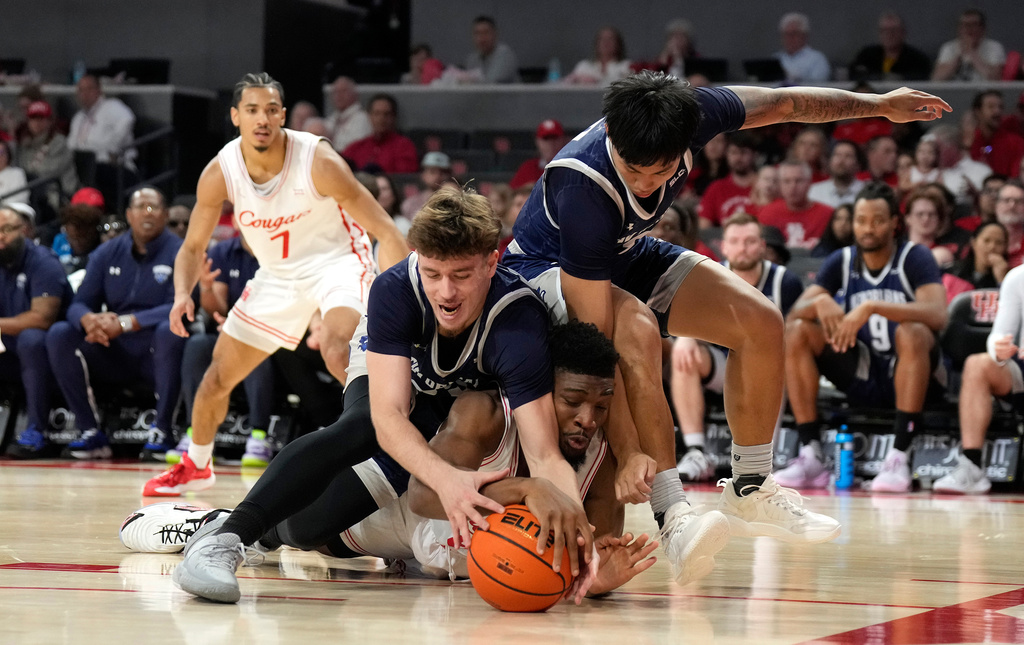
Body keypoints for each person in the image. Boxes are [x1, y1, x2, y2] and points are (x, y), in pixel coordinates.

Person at [503, 72, 948, 576]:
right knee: (637, 331)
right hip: (540, 272)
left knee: (759, 320)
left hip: (622, 251)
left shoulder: (695, 111)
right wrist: (629, 453)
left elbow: (789, 102)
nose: (648, 183)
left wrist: (880, 104)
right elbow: (600, 347)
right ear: (612, 140)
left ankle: (751, 486)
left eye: (662, 171)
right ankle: (672, 513)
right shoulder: (583, 187)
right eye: (635, 171)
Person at [172, 186, 596, 603]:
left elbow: (545, 455)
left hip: (446, 401)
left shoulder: (519, 322)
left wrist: (580, 538)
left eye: (462, 276)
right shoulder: (395, 289)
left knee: (307, 528)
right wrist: (446, 479)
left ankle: (249, 527)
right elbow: (389, 416)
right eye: (433, 273)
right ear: (417, 260)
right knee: (361, 426)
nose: (446, 292)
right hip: (400, 384)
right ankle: (225, 538)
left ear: (491, 263)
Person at [129, 322, 657, 596]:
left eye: (601, 405)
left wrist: (592, 581)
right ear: (541, 391)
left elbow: (588, 549)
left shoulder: (603, 453)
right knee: (306, 531)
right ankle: (217, 525)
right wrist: (527, 489)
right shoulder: (486, 413)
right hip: (408, 516)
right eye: (573, 402)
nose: (589, 417)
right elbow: (427, 497)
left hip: (447, 560)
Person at [142, 73, 408, 496]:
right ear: (235, 117)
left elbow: (386, 231)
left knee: (339, 349)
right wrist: (179, 295)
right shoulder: (220, 172)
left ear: (283, 115)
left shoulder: (317, 161)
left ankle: (395, 447)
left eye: (270, 110)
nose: (261, 119)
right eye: (251, 110)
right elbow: (192, 247)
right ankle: (197, 462)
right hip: (278, 276)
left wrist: (400, 302)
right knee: (215, 378)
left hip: (338, 263)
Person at [778, 182, 947, 492]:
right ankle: (810, 453)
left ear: (895, 223)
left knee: (913, 331)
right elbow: (793, 315)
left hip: (915, 374)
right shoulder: (841, 261)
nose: (867, 228)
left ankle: (899, 456)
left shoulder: (914, 257)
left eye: (877, 220)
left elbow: (938, 314)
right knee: (797, 330)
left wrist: (872, 306)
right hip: (863, 371)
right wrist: (818, 302)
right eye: (860, 220)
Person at [45, 187, 186, 460]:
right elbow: (79, 303)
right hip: (113, 347)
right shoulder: (107, 252)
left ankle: (164, 430)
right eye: (140, 207)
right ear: (129, 215)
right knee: (60, 333)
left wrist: (126, 322)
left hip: (155, 348)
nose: (146, 212)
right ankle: (90, 432)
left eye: (153, 207)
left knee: (169, 332)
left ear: (165, 215)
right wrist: (89, 320)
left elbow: (183, 306)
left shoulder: (181, 252)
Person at [671, 213, 803, 482]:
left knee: (783, 360)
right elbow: (689, 316)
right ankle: (696, 452)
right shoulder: (709, 276)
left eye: (750, 241)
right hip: (721, 366)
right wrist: (685, 338)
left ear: (762, 246)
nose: (743, 248)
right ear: (724, 246)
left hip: (766, 371)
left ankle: (764, 460)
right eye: (736, 241)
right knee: (683, 352)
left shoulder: (784, 282)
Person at [171, 234, 275, 467]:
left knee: (253, 347)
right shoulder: (222, 252)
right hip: (228, 329)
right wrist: (206, 288)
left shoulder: (279, 249)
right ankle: (195, 431)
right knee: (197, 345)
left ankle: (259, 435)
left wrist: (243, 324)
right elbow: (217, 307)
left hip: (268, 332)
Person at [935, 257, 1024, 494]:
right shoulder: (1017, 278)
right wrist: (999, 349)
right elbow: (997, 336)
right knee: (977, 364)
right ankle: (971, 467)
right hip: (1022, 373)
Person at [0, 204, 72, 458]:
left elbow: (42, 319)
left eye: (6, 229)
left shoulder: (43, 262)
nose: (1, 237)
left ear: (25, 230)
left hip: (51, 353)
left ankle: (36, 430)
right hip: (9, 349)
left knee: (31, 339)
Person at [66, 75, 137, 207]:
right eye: (80, 90)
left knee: (96, 171)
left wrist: (112, 148)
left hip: (114, 167)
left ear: (99, 90)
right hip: (84, 167)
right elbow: (71, 145)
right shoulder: (78, 117)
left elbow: (128, 120)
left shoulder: (112, 106)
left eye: (89, 89)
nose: (84, 94)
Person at [14, 100, 78, 214]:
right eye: (33, 118)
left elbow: (49, 171)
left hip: (58, 194)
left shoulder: (59, 142)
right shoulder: (26, 143)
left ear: (50, 121)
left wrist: (26, 175)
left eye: (41, 118)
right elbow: (19, 168)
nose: (37, 123)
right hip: (34, 192)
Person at [758, 160, 834, 249]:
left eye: (798, 181)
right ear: (780, 184)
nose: (793, 187)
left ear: (809, 183)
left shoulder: (828, 215)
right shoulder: (767, 214)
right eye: (787, 181)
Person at [341, 94, 418, 174]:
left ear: (393, 117)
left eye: (386, 114)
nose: (381, 119)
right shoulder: (355, 148)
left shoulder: (404, 147)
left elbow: (404, 178)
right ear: (369, 116)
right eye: (377, 114)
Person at [849, 11, 933, 82]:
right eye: (884, 31)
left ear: (903, 32)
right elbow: (853, 75)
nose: (889, 35)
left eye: (893, 30)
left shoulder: (917, 59)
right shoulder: (866, 56)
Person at [697, 131, 758, 229]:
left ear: (754, 155)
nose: (738, 158)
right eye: (734, 152)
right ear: (727, 155)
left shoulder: (765, 185)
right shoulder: (716, 188)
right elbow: (704, 227)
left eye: (743, 152)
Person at [932, 9, 1006, 82]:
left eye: (974, 24)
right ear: (959, 29)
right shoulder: (948, 47)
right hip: (954, 91)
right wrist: (958, 57)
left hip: (985, 91)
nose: (969, 29)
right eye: (965, 25)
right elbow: (937, 79)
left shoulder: (994, 47)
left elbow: (994, 79)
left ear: (982, 28)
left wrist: (972, 53)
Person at [969, 90, 1024, 179]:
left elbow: (1017, 178)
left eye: (1000, 107)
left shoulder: (1016, 143)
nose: (997, 111)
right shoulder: (970, 140)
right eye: (991, 107)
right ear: (978, 111)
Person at [509, 119, 569, 190]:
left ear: (564, 140)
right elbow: (512, 194)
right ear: (537, 142)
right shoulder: (528, 168)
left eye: (554, 138)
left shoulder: (574, 167)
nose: (550, 144)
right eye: (546, 139)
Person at [948, 221, 1009, 289]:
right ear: (973, 243)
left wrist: (1001, 278)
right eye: (986, 240)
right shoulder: (954, 272)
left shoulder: (1011, 276)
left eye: (999, 243)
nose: (992, 247)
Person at [564, 27, 632, 87]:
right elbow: (567, 85)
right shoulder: (584, 66)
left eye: (610, 39)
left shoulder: (627, 66)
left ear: (618, 44)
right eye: (602, 39)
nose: (606, 43)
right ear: (596, 44)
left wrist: (597, 81)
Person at [807, 140, 866, 209]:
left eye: (848, 156)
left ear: (858, 164)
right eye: (837, 155)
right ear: (830, 161)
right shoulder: (813, 192)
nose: (841, 161)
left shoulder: (866, 192)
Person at [774, 13, 830, 83]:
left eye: (794, 34)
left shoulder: (817, 59)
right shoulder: (776, 59)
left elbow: (819, 86)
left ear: (804, 35)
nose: (789, 38)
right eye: (786, 34)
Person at [464, 16, 520, 84]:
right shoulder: (472, 59)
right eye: (477, 33)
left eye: (486, 33)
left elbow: (491, 84)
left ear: (495, 35)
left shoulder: (505, 54)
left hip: (503, 94)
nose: (481, 38)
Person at [323, 77, 371, 154]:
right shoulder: (331, 120)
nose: (339, 95)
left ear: (355, 94)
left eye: (343, 91)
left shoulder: (363, 119)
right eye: (336, 92)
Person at [400, 151, 453, 220]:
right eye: (432, 172)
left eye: (443, 172)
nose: (437, 176)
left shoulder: (455, 202)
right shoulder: (410, 204)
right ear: (423, 174)